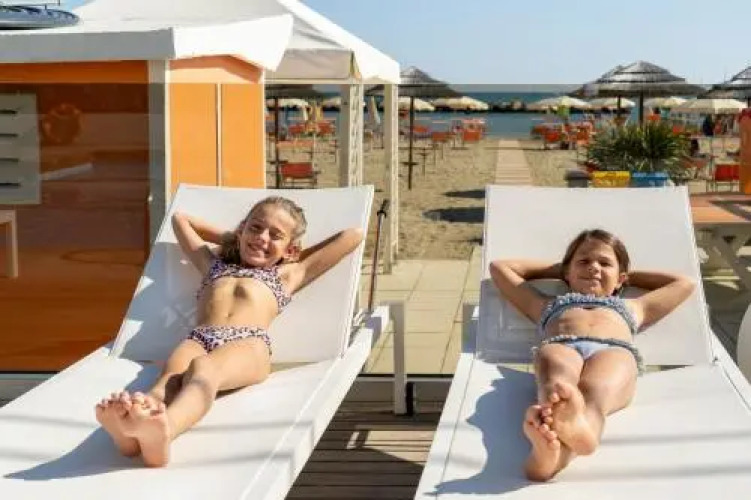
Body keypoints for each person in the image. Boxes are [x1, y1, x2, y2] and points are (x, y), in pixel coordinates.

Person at [95, 196, 364, 467]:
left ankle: (164, 431)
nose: (262, 238)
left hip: (248, 343)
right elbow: (180, 220)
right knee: (168, 380)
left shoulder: (288, 275)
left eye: (275, 235)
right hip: (199, 338)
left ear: (291, 249)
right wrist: (234, 238)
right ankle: (131, 432)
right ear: (242, 229)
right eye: (255, 228)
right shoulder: (213, 265)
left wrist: (287, 254)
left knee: (203, 369)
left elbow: (352, 236)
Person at [489, 229, 694, 482]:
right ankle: (563, 440)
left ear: (621, 279)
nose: (594, 267)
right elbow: (500, 268)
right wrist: (563, 269)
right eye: (584, 261)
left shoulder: (634, 306)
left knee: (596, 392)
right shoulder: (546, 304)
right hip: (562, 345)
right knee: (558, 382)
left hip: (613, 351)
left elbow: (684, 284)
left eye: (604, 263)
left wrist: (624, 276)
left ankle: (551, 452)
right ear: (566, 273)